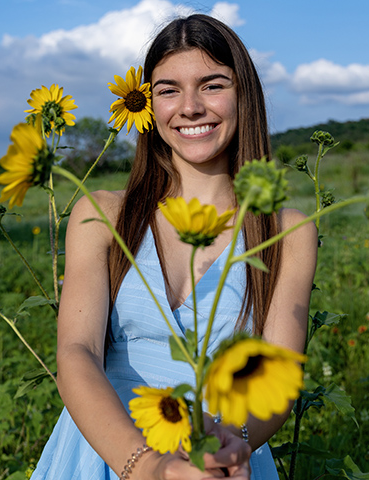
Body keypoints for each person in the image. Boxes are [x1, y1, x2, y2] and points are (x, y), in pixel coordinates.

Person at [32, 13, 317, 480]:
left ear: (244, 95)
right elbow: (77, 352)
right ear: (148, 106)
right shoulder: (102, 214)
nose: (190, 107)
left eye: (212, 85)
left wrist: (227, 446)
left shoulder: (287, 231)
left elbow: (279, 379)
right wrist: (149, 467)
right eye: (168, 90)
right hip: (105, 453)